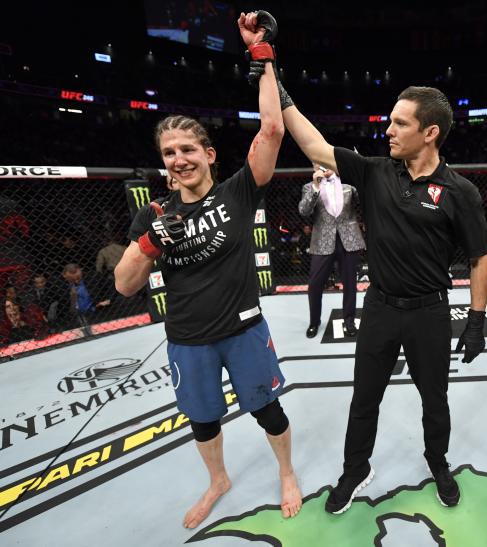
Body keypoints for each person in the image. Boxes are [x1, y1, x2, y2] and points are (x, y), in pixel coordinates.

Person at [268, 76, 487, 513]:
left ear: (430, 133)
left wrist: (477, 320)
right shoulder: (374, 172)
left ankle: (437, 462)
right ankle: (355, 470)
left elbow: (481, 258)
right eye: (390, 121)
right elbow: (315, 147)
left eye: (399, 123)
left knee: (435, 399)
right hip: (380, 308)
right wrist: (277, 88)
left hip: (430, 311)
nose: (387, 130)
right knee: (364, 396)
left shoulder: (460, 193)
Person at [114, 10, 302, 528]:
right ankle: (218, 480)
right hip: (188, 338)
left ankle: (286, 472)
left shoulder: (238, 192)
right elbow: (125, 284)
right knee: (202, 421)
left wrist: (262, 56)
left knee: (270, 412)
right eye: (169, 153)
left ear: (209, 153)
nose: (178, 159)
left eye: (187, 149)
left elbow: (271, 128)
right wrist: (149, 245)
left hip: (243, 331)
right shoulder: (151, 214)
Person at [298, 164, 365, 338]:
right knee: (314, 285)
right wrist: (315, 186)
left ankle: (349, 321)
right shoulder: (309, 187)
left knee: (350, 283)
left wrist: (356, 175)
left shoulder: (349, 185)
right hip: (322, 241)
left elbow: (364, 200)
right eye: (317, 162)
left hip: (349, 239)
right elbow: (304, 211)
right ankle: (314, 322)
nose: (321, 165)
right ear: (313, 166)